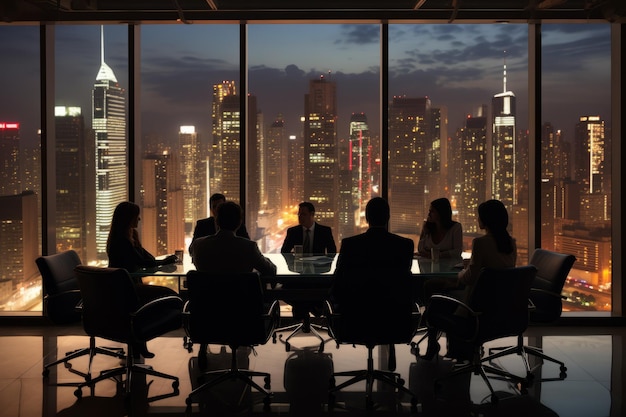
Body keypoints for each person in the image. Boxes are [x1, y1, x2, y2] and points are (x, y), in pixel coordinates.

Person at [421, 199, 517, 361]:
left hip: (474, 303)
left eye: (479, 216)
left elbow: (469, 277)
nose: (477, 219)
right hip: (498, 302)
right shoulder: (510, 243)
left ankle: (438, 341)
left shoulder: (480, 243)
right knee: (438, 286)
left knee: (433, 290)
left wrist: (464, 270)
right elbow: (494, 269)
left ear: (486, 220)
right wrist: (472, 264)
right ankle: (455, 347)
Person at [106, 201, 179, 359]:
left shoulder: (127, 237)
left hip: (129, 285)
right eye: (136, 217)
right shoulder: (122, 242)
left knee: (164, 294)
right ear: (128, 218)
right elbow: (144, 262)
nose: (138, 220)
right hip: (125, 288)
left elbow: (148, 259)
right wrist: (163, 262)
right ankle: (141, 337)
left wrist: (138, 244)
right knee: (168, 294)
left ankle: (139, 342)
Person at [189, 201, 276, 276]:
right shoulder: (248, 247)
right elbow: (270, 270)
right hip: (240, 294)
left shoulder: (198, 245)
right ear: (239, 223)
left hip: (207, 294)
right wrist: (265, 259)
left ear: (217, 221)